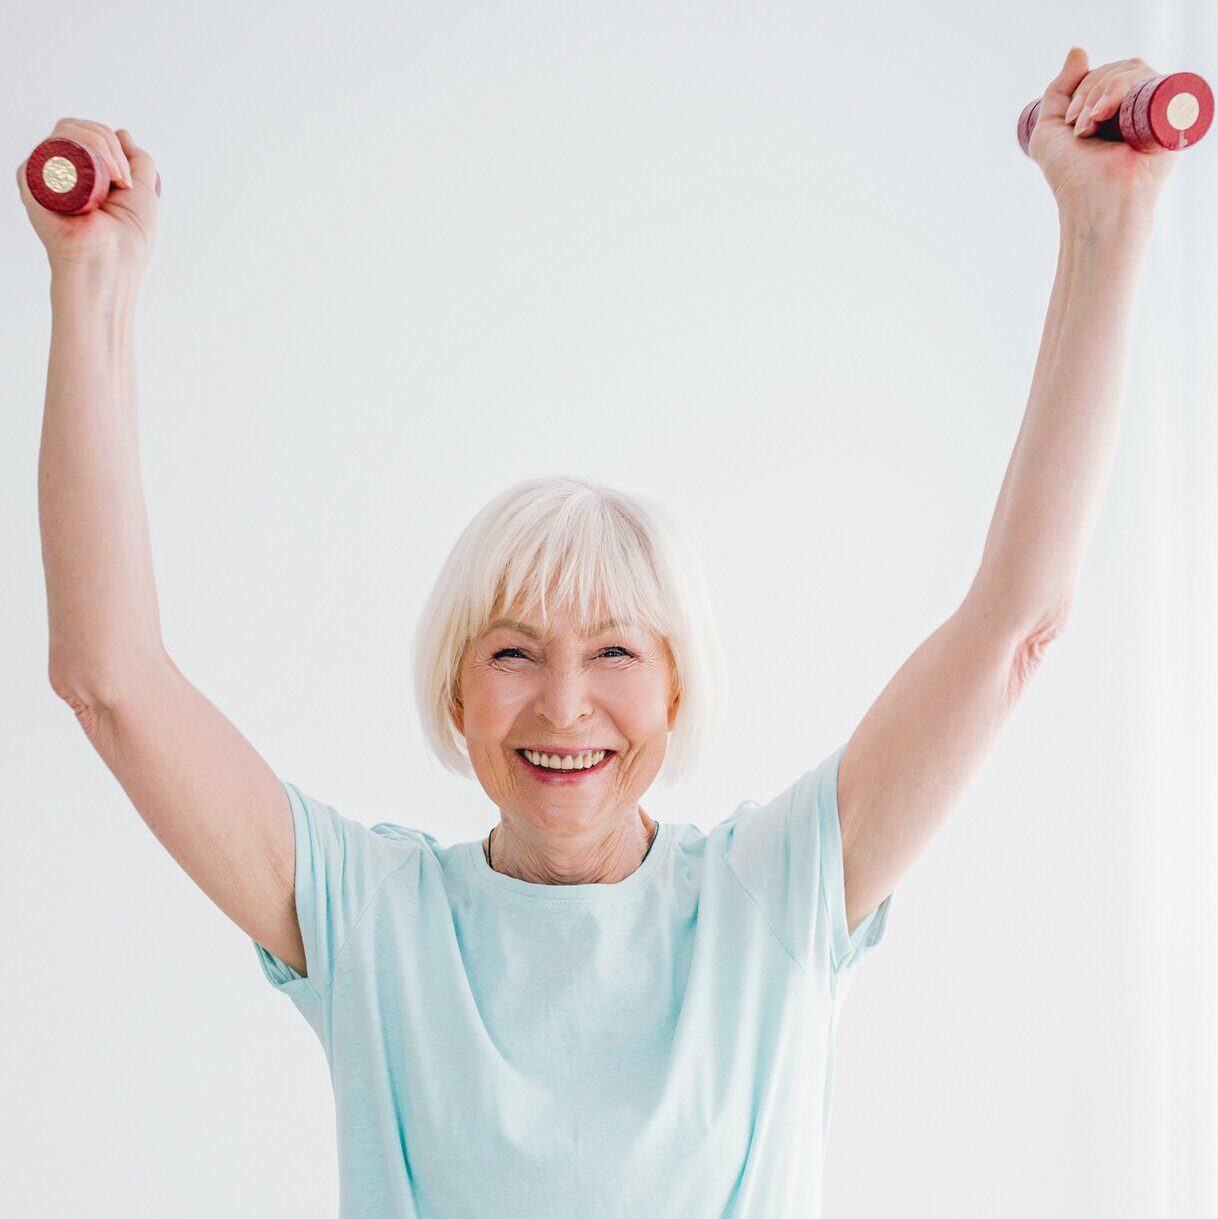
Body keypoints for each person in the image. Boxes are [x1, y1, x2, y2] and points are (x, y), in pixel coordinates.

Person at [19, 46, 1179, 1219]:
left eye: (617, 652)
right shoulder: (372, 920)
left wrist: (1106, 231)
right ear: (456, 692)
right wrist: (93, 283)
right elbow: (109, 676)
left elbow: (1017, 623)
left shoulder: (771, 898)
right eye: (513, 652)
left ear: (677, 689)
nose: (565, 704)